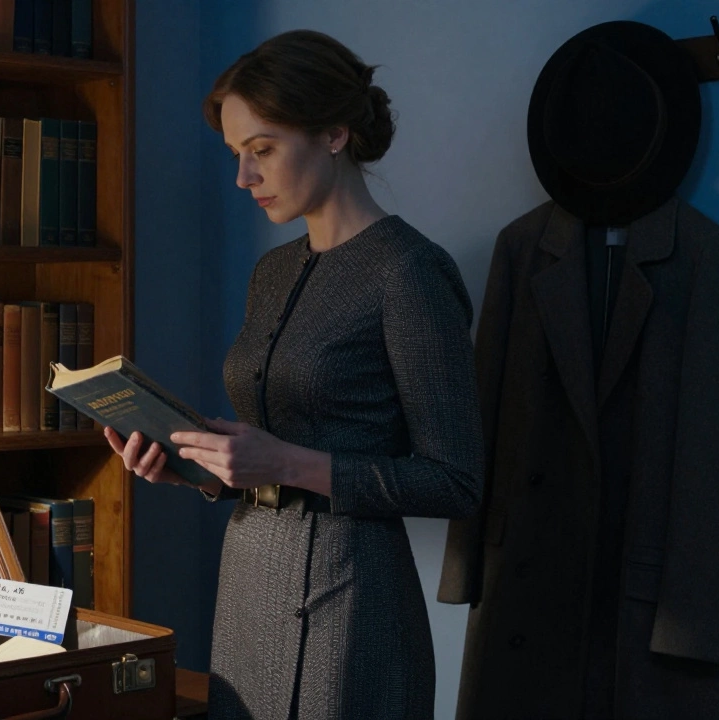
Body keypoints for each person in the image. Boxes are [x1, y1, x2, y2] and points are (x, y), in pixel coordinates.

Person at [105, 30, 485, 719]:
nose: (244, 179)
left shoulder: (410, 274)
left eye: (263, 150)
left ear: (336, 133)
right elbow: (267, 456)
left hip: (354, 598)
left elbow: (456, 479)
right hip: (249, 583)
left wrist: (286, 461)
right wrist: (194, 462)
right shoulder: (273, 272)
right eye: (236, 156)